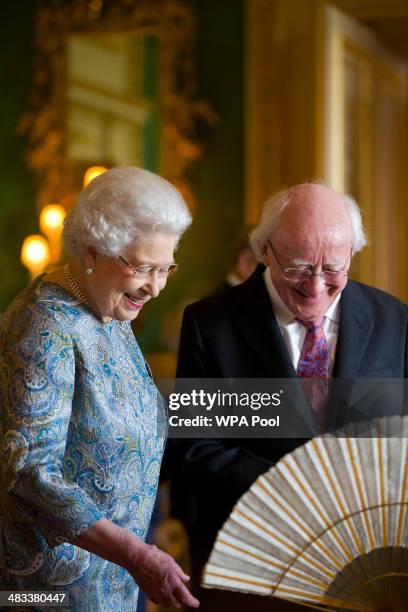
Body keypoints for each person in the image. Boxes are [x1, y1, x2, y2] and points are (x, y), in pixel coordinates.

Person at [176, 182, 407, 611]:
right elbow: (194, 453)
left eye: (332, 267)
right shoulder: (212, 325)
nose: (316, 286)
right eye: (299, 267)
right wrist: (298, 486)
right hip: (254, 573)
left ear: (353, 254)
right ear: (265, 250)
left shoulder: (393, 319)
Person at [0, 167, 199, 611]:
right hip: (48, 594)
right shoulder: (44, 325)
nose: (156, 286)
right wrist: (136, 554)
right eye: (143, 268)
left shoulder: (107, 311)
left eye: (165, 268)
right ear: (92, 251)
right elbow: (30, 472)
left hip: (115, 584)